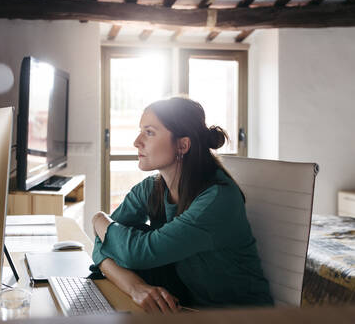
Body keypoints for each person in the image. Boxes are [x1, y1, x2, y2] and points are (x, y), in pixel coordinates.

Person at [91, 97, 273, 313]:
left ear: (182, 145)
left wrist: (98, 219)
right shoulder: (151, 188)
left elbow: (136, 252)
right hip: (187, 307)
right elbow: (101, 244)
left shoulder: (216, 199)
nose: (137, 141)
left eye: (149, 132)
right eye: (141, 131)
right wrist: (135, 288)